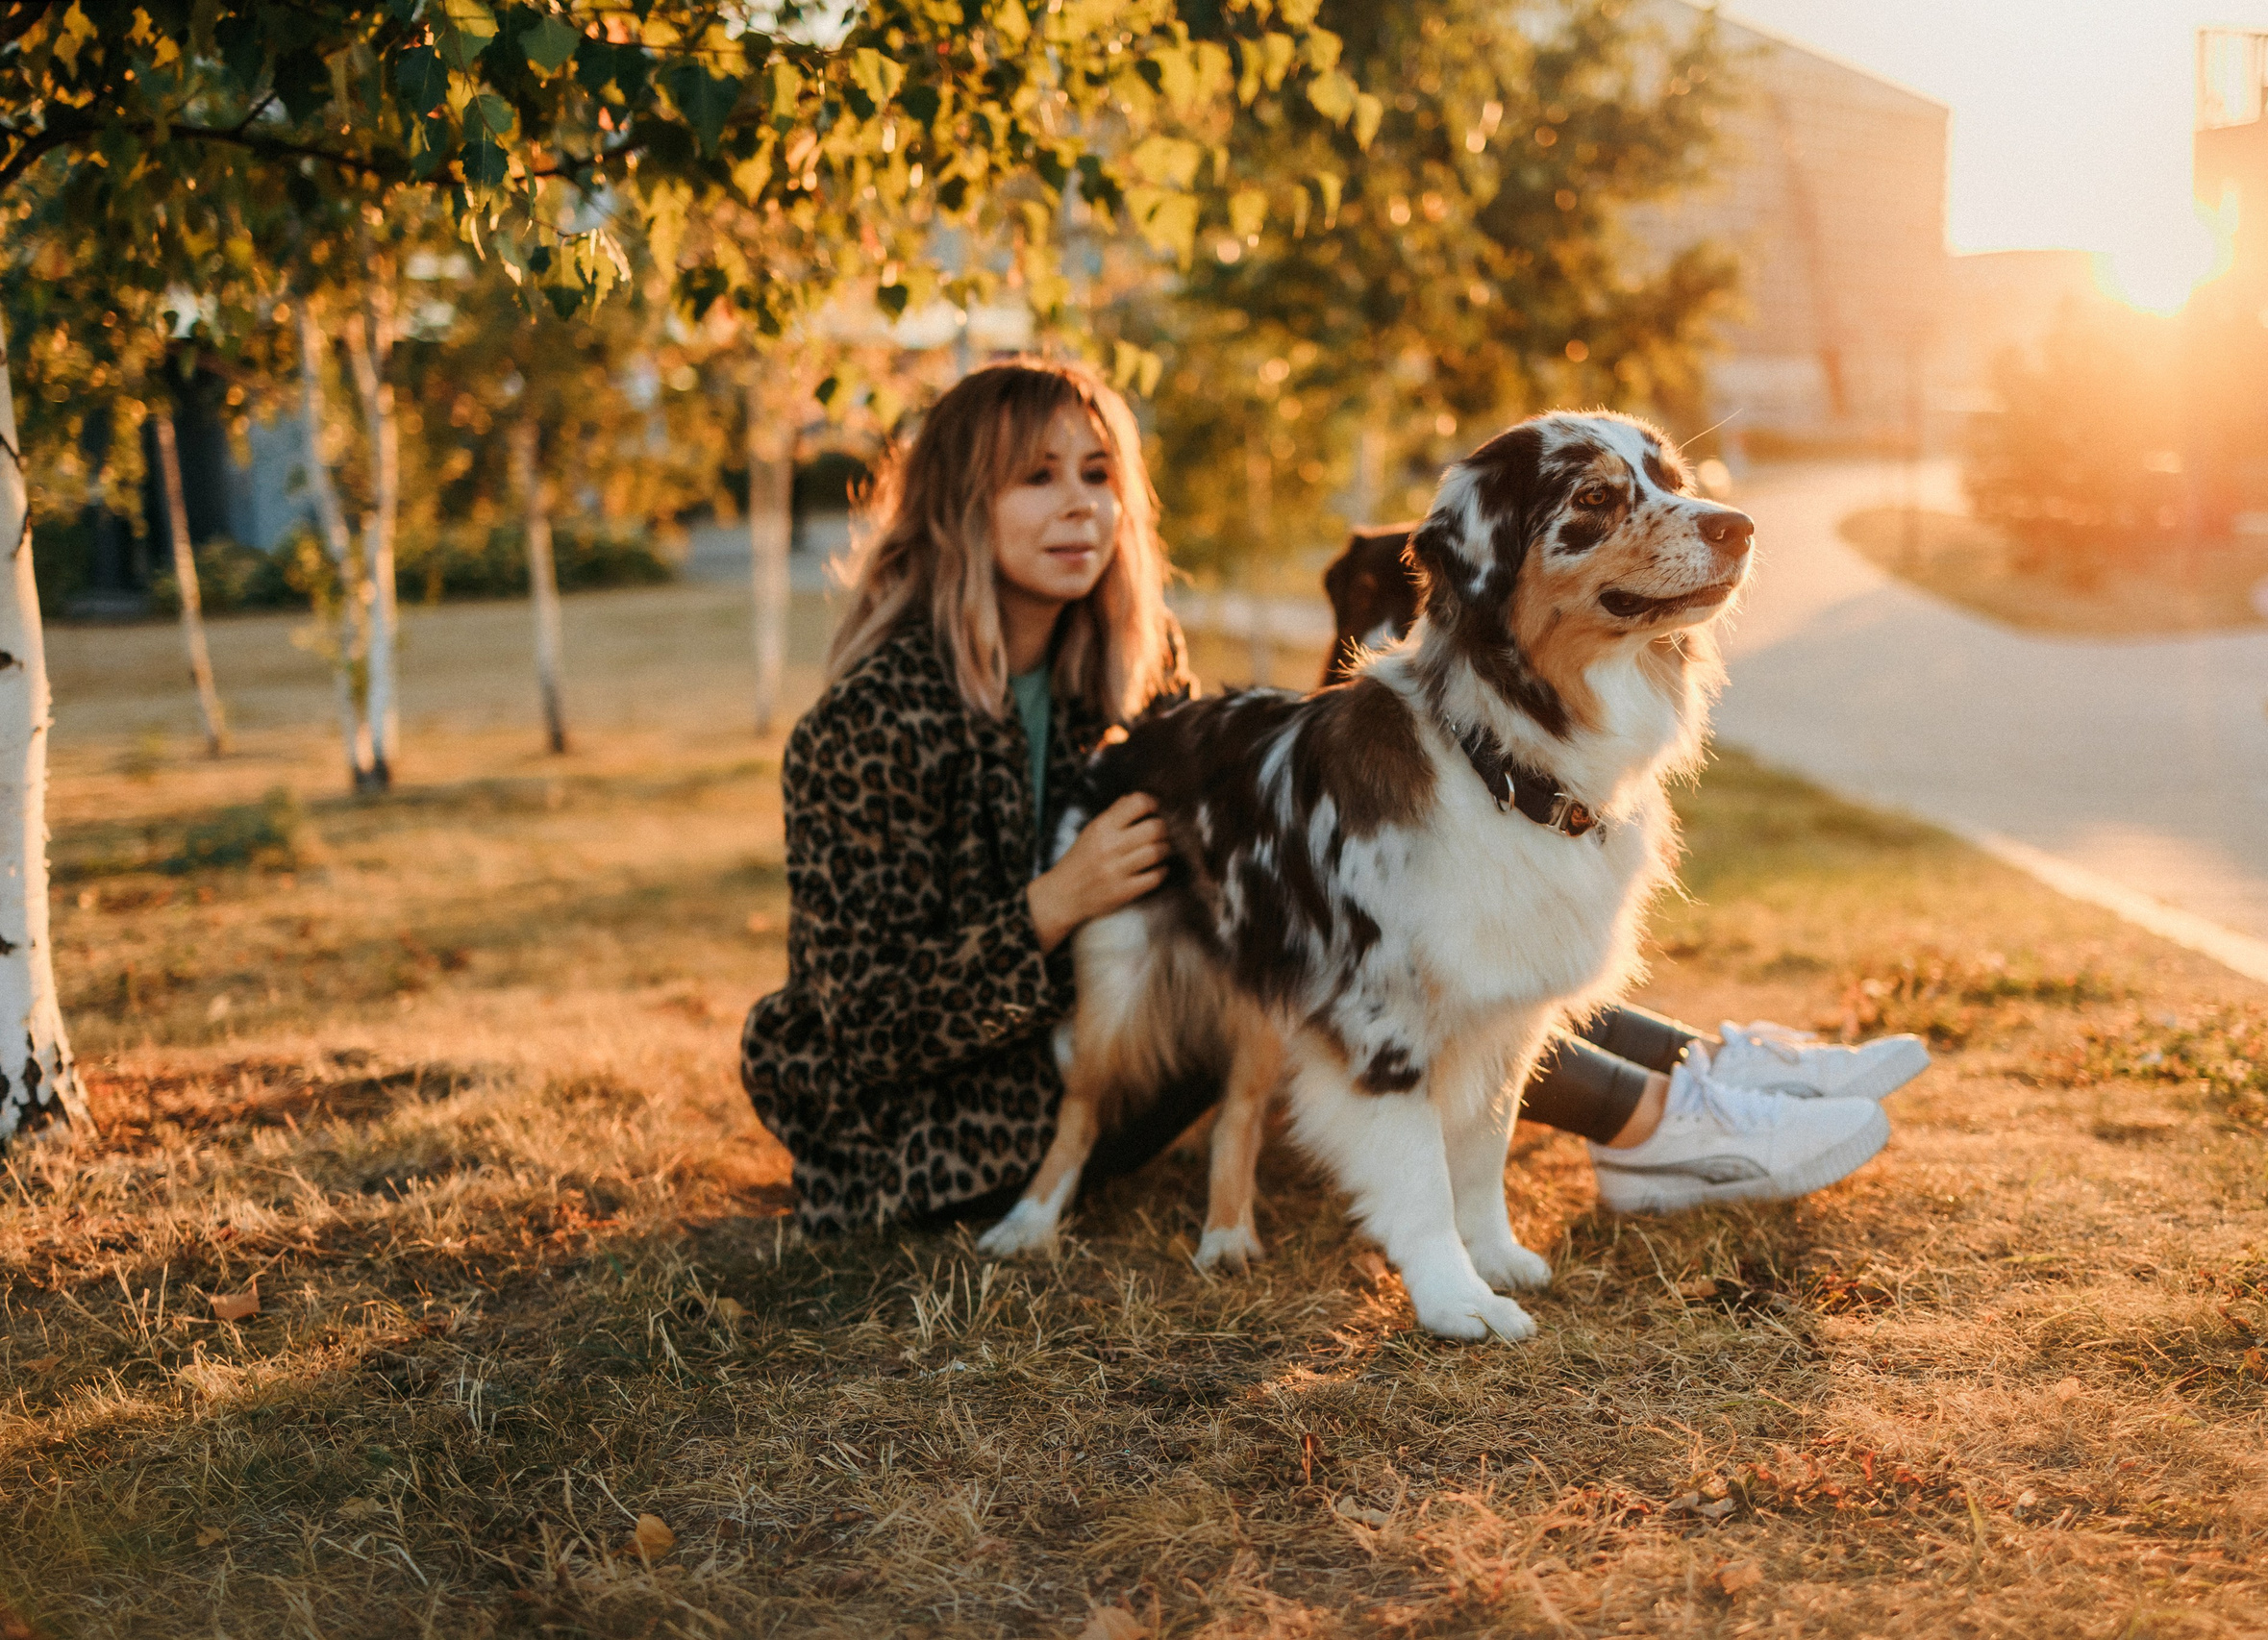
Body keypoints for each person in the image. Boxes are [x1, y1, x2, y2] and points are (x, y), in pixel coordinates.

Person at [739, 359, 1924, 1237]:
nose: (1079, 507)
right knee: (1390, 946)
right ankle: (1658, 1132)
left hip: (1159, 989)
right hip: (948, 1122)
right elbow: (856, 1024)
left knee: (1412, 905)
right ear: (957, 508)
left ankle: (1706, 1070)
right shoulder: (865, 730)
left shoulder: (1125, 666)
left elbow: (1277, 822)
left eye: (1099, 475)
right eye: (1034, 479)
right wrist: (1049, 904)